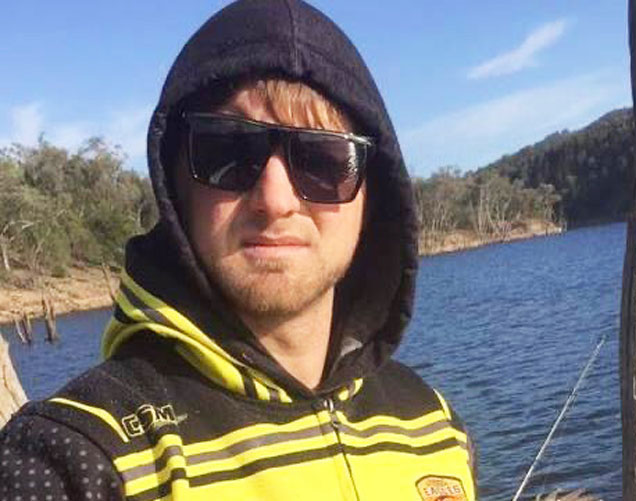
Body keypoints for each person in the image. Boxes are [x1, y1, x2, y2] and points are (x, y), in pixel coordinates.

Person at [0, 1, 476, 499]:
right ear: (176, 189)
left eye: (322, 160)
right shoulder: (73, 460)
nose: (275, 199)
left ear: (372, 197)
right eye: (228, 152)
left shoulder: (435, 425)